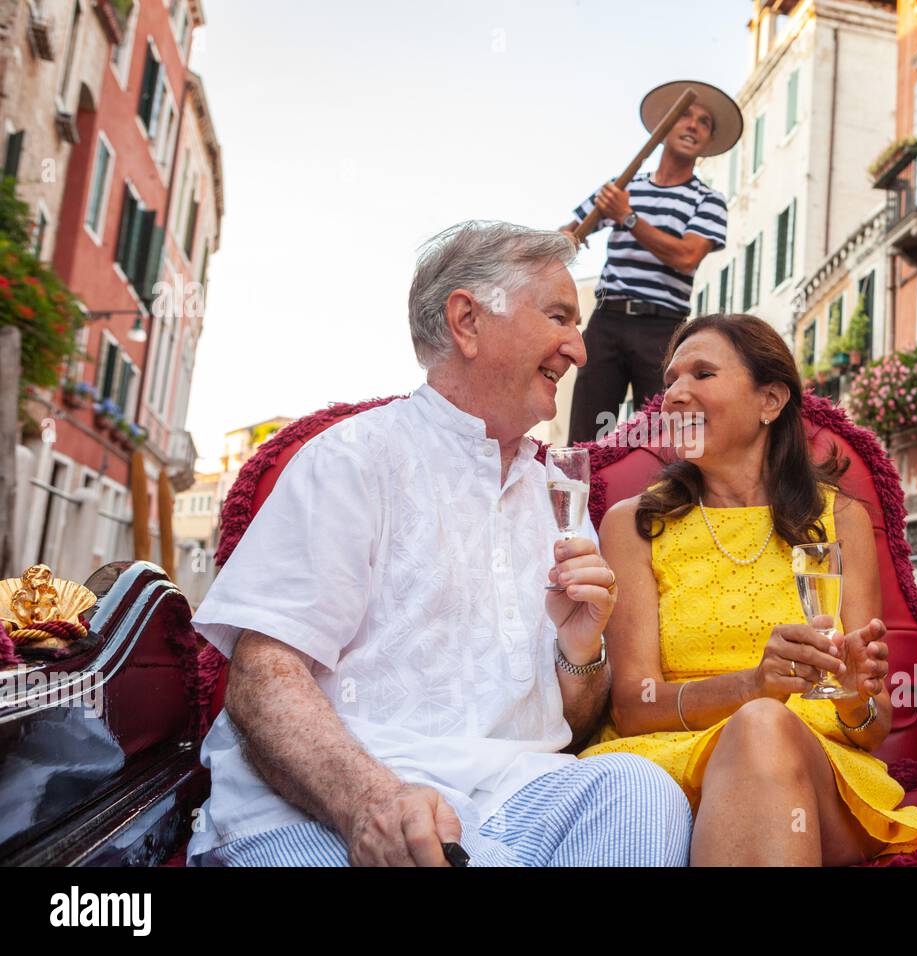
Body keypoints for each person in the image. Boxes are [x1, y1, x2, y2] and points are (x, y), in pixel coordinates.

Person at [186, 221, 692, 867]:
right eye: (559, 316)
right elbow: (263, 675)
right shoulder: (352, 457)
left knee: (640, 790)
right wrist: (369, 802)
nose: (579, 349)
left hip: (516, 795)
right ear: (467, 320)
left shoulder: (554, 495)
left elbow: (577, 718)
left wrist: (580, 651)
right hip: (332, 801)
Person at [580, 314, 917, 866]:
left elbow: (870, 728)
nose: (674, 394)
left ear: (770, 400)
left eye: (702, 373)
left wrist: (855, 693)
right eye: (670, 379)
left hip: (817, 778)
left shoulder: (840, 519)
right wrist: (754, 687)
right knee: (761, 720)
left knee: (767, 726)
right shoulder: (633, 524)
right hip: (669, 779)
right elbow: (632, 705)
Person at [562, 80, 740, 443]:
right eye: (685, 116)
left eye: (704, 122)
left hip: (663, 331)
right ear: (665, 125)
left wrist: (627, 217)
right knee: (587, 433)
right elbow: (570, 234)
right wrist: (561, 241)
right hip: (607, 321)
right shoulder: (622, 187)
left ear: (706, 142)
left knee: (660, 438)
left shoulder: (708, 200)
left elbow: (687, 256)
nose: (693, 125)